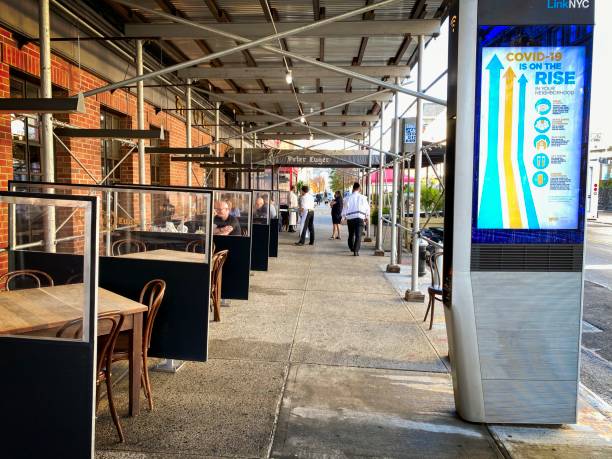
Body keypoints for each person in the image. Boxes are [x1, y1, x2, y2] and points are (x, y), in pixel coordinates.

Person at [342, 182, 370, 256]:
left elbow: (345, 208)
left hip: (350, 218)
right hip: (360, 218)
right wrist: (367, 217)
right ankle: (356, 251)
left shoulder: (347, 198)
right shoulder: (363, 197)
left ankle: (351, 247)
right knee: (358, 235)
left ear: (353, 188)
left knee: (351, 234)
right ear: (359, 189)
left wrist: (343, 217)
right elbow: (367, 208)